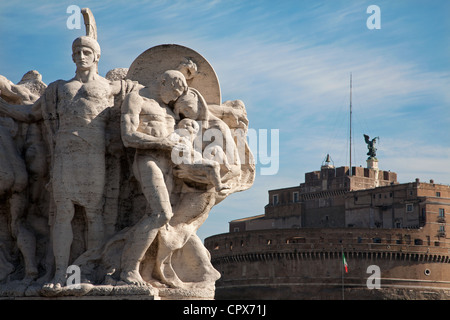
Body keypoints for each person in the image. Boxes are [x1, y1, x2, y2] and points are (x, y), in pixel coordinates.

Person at [0, 35, 136, 290]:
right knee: (63, 214)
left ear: (96, 56)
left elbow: (142, 92)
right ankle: (61, 273)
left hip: (93, 156)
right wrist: (3, 107)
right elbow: (31, 114)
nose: (81, 56)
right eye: (76, 52)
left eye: (86, 51)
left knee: (94, 214)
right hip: (64, 156)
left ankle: (91, 269)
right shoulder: (58, 88)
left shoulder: (110, 87)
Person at [119, 70, 187, 286]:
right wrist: (161, 143)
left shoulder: (170, 110)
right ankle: (129, 269)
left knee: (158, 217)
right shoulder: (137, 99)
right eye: (175, 90)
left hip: (169, 167)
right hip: (147, 160)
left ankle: (150, 270)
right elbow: (128, 136)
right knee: (161, 213)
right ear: (162, 81)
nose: (176, 97)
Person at [170, 117, 231, 193]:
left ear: (194, 129)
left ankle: (225, 166)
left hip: (198, 160)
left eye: (187, 125)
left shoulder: (196, 140)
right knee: (213, 165)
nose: (184, 127)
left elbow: (207, 144)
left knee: (216, 148)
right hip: (188, 164)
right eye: (181, 126)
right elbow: (171, 145)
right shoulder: (179, 137)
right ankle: (218, 186)